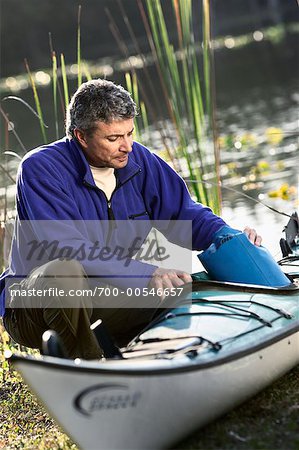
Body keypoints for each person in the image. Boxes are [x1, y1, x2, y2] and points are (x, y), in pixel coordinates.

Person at [0, 79, 261, 360]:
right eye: (113, 138)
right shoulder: (40, 168)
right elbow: (63, 246)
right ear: (81, 136)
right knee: (63, 272)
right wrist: (145, 273)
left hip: (107, 294)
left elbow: (184, 213)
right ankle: (87, 368)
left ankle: (160, 351)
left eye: (129, 134)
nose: (127, 146)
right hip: (34, 307)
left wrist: (227, 236)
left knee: (177, 271)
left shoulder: (140, 161)